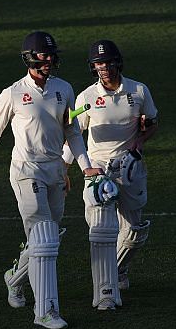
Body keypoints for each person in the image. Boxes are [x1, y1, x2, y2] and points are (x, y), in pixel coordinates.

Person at [0, 31, 102, 329]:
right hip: (26, 171)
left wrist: (83, 167)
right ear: (30, 58)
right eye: (45, 55)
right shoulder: (12, 92)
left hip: (54, 171)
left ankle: (14, 278)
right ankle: (45, 312)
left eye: (52, 55)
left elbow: (72, 133)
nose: (50, 60)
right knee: (44, 238)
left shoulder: (63, 89)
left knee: (50, 237)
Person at [62, 40, 158, 310]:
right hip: (98, 171)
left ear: (118, 62)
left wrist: (140, 140)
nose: (103, 68)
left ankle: (117, 272)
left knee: (134, 233)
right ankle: (105, 292)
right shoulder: (86, 98)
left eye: (107, 62)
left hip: (130, 168)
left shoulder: (139, 91)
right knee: (102, 231)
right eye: (98, 64)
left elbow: (152, 124)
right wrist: (63, 170)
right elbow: (73, 134)